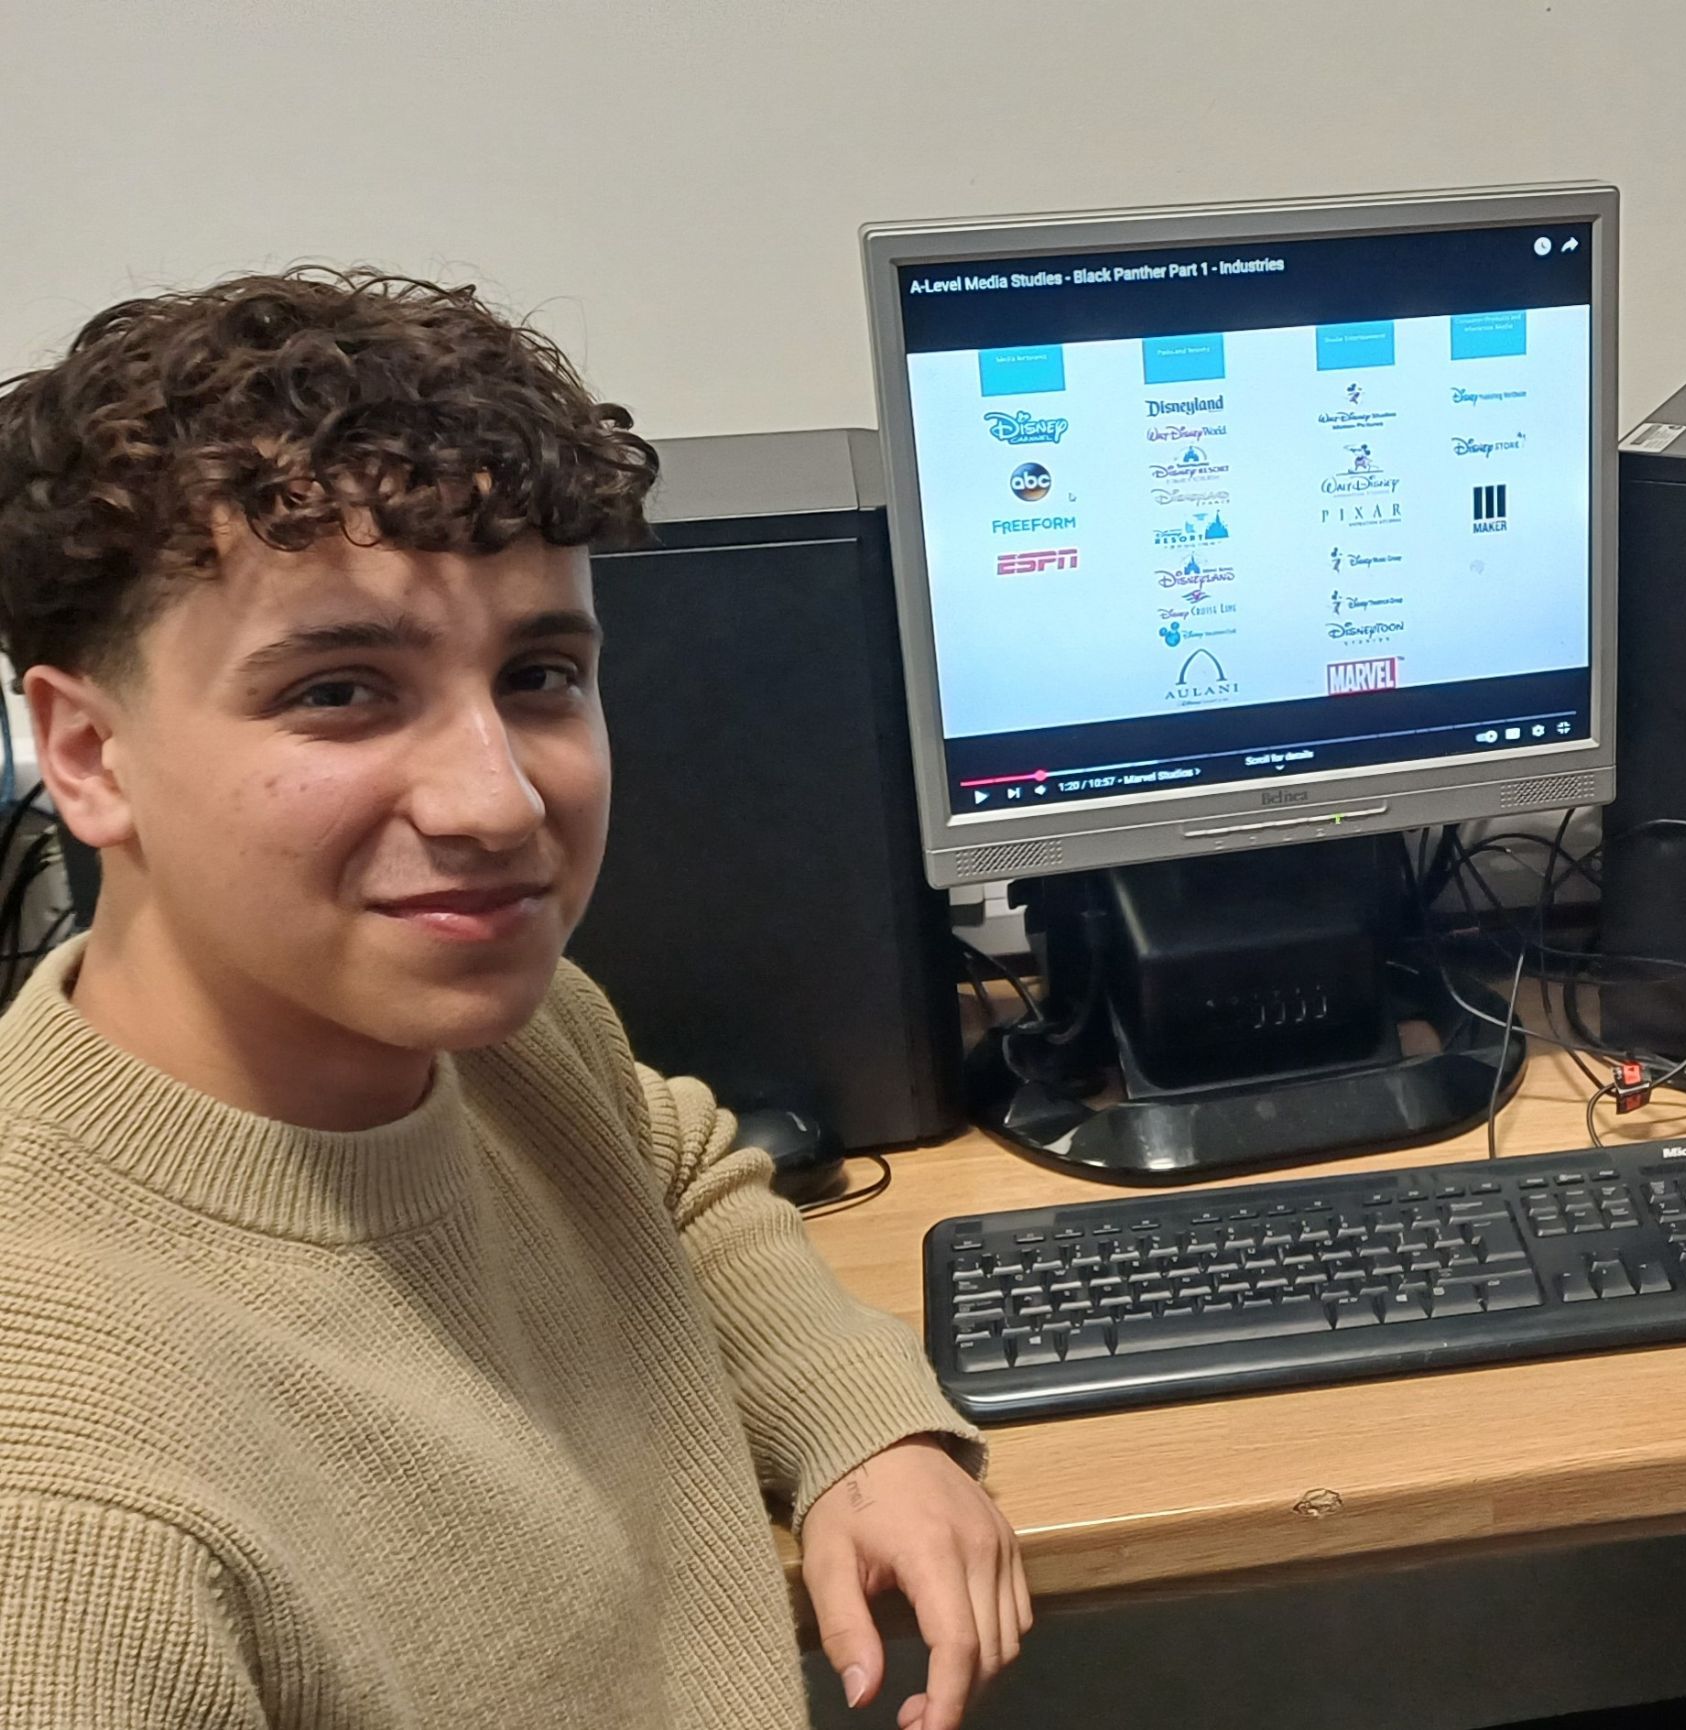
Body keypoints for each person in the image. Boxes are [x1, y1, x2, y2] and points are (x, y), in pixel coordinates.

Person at [0, 271, 1027, 1730]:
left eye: (540, 673)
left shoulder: (501, 1035)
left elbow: (674, 1174)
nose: (497, 800)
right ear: (87, 753)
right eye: (342, 691)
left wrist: (856, 1414)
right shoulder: (68, 1510)